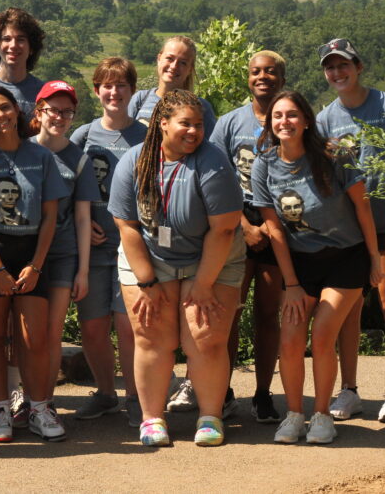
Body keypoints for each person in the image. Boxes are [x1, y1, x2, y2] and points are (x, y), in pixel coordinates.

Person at [108, 89, 244, 447]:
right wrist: (147, 282)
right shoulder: (135, 161)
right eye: (185, 124)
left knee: (205, 338)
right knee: (153, 336)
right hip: (149, 256)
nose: (194, 132)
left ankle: (210, 417)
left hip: (213, 255)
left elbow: (225, 228)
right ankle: (152, 419)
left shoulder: (213, 162)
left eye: (199, 125)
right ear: (163, 123)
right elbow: (127, 226)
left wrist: (203, 283)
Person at [251, 90, 382, 444]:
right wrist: (290, 283)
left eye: (292, 115)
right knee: (291, 339)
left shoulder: (334, 155)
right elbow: (274, 227)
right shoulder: (264, 163)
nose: (284, 122)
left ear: (307, 120)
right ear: (270, 123)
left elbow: (363, 207)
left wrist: (374, 258)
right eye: (278, 116)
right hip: (300, 263)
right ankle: (295, 415)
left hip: (346, 256)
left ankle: (322, 415)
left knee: (323, 335)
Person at [0, 83, 68, 443]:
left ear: (16, 110)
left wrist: (35, 266)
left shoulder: (41, 156)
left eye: (4, 108)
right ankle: (1, 408)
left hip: (32, 253)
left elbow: (51, 215)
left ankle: (38, 407)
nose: (0, 116)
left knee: (32, 337)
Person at [314, 38, 385, 424]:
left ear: (358, 66)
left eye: (343, 65)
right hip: (349, 231)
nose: (337, 73)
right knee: (349, 311)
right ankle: (350, 390)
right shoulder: (325, 118)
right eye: (330, 67)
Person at [208, 50, 287, 423]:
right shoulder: (228, 123)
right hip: (235, 221)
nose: (263, 77)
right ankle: (222, 390)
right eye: (256, 71)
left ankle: (262, 393)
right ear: (248, 77)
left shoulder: (291, 119)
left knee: (269, 313)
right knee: (230, 312)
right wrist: (242, 224)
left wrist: (271, 227)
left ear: (281, 79)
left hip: (278, 223)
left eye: (270, 72)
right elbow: (214, 179)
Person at [69, 57, 143, 427]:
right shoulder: (82, 136)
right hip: (93, 249)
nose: (114, 92)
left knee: (128, 325)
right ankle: (105, 393)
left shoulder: (147, 136)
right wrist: (78, 226)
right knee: (93, 327)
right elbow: (63, 187)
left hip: (133, 249)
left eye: (122, 86)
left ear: (132, 91)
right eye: (107, 86)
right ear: (97, 91)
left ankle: (135, 397)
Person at [31, 81, 96, 421]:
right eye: (53, 109)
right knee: (25, 332)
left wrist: (82, 271)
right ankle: (24, 398)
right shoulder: (20, 149)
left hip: (62, 255)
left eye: (67, 111)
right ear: (38, 110)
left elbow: (83, 217)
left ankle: (46, 400)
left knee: (52, 332)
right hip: (24, 254)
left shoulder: (78, 158)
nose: (59, 117)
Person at [128, 36, 217, 138]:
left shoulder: (201, 107)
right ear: (159, 58)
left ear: (190, 69)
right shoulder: (140, 99)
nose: (174, 66)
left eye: (183, 63)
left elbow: (213, 148)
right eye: (170, 58)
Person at [0, 8, 45, 120]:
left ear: (32, 48)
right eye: (7, 39)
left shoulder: (42, 93)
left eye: (21, 39)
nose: (13, 45)